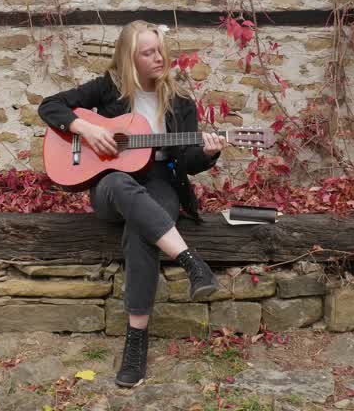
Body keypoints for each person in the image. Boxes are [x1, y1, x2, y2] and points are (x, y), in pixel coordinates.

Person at [38, 20, 224, 388]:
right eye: (148, 52)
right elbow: (50, 106)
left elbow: (184, 162)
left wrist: (207, 153)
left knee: (142, 231)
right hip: (112, 185)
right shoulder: (107, 89)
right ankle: (191, 262)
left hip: (160, 183)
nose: (159, 57)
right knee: (121, 184)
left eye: (160, 49)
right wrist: (87, 129)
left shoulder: (181, 103)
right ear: (129, 58)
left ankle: (135, 343)